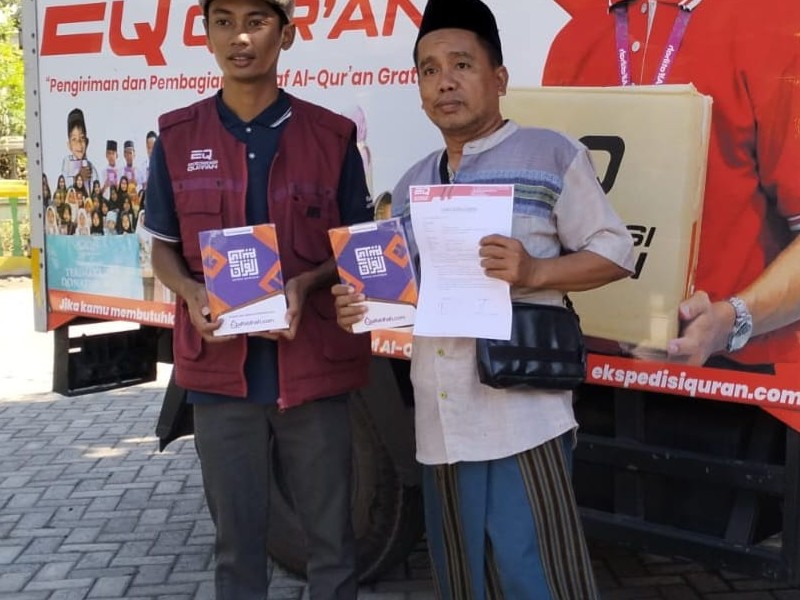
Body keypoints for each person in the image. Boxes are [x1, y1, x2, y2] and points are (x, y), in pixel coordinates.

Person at [334, 1, 634, 598]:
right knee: (463, 575)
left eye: (462, 64)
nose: (444, 81)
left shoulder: (551, 155)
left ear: (499, 78)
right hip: (442, 413)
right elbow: (402, 290)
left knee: (535, 573)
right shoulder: (413, 182)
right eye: (429, 70)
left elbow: (616, 251)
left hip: (522, 411)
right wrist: (360, 306)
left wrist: (536, 270)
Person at [142, 0, 372, 598]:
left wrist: (306, 282)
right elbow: (163, 248)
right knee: (236, 551)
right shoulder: (177, 137)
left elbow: (356, 248)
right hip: (221, 381)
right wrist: (190, 291)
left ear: (286, 35)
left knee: (333, 547)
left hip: (313, 373)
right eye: (223, 22)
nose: (239, 37)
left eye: (256, 21)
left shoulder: (331, 137)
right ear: (207, 34)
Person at [543, 0, 800, 370]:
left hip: (732, 376)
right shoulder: (574, 39)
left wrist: (731, 321)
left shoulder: (773, 22)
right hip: (588, 368)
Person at [60, 108, 99, 188]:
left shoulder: (91, 168)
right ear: (69, 145)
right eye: (74, 139)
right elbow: (64, 184)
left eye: (82, 138)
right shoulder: (67, 162)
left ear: (87, 142)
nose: (79, 144)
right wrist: (79, 177)